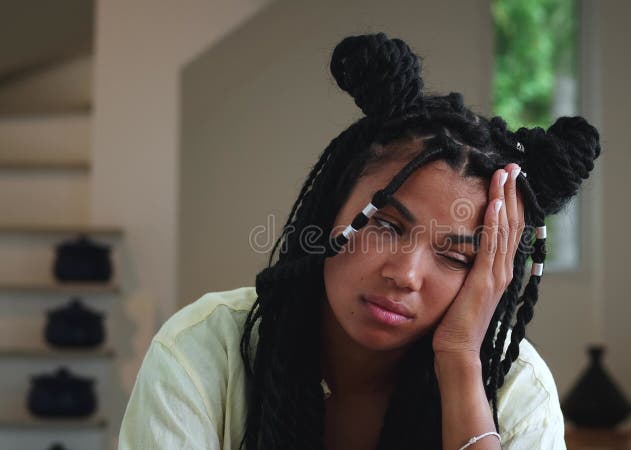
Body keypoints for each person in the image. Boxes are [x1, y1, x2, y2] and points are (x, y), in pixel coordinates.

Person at [118, 32, 601, 450]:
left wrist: (459, 367)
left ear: (489, 272)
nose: (405, 274)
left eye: (455, 255)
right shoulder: (203, 352)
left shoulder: (513, 388)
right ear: (332, 209)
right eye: (387, 225)